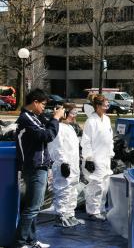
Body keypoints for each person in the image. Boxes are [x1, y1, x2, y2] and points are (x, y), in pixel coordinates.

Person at [15, 88, 64, 248]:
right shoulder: (26, 119)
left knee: (32, 208)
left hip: (37, 167)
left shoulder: (34, 117)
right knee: (32, 208)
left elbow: (46, 126)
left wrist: (54, 118)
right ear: (35, 102)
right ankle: (21, 242)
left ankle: (31, 240)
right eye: (43, 104)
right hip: (35, 168)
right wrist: (56, 118)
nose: (44, 107)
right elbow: (47, 135)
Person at [48, 103, 84, 227]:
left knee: (72, 190)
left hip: (73, 166)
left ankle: (70, 214)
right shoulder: (58, 127)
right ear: (65, 113)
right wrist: (63, 163)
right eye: (73, 113)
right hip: (63, 166)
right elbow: (56, 148)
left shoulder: (70, 127)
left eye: (76, 113)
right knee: (63, 190)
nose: (75, 116)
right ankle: (60, 216)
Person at [81, 94, 114, 221]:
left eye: (107, 105)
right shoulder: (91, 121)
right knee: (96, 185)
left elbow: (109, 139)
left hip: (105, 158)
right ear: (97, 106)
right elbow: (86, 141)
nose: (106, 107)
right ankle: (93, 211)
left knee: (105, 185)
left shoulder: (106, 119)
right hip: (95, 158)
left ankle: (100, 209)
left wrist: (111, 154)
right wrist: (89, 158)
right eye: (105, 105)